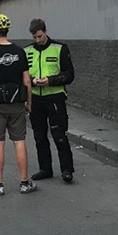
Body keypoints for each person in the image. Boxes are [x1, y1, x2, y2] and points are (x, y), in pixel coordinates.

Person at [0, 13, 37, 196]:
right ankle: (24, 183)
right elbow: (27, 81)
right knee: (19, 141)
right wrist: (28, 103)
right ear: (7, 30)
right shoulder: (20, 51)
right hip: (17, 102)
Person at [25, 18, 76, 183]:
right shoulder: (27, 51)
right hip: (36, 98)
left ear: (45, 31)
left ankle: (67, 170)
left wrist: (50, 81)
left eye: (40, 36)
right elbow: (22, 76)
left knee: (59, 135)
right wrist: (32, 81)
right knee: (39, 136)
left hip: (55, 97)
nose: (37, 40)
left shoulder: (59, 48)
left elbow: (69, 75)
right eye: (34, 37)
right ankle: (45, 169)